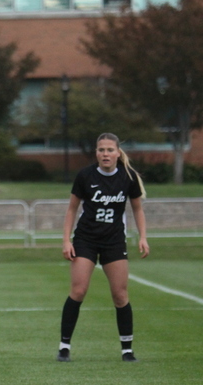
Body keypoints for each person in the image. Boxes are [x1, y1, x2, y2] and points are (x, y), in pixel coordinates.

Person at [57, 132, 149, 363]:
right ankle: (64, 346)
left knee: (120, 294)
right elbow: (71, 209)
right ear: (96, 153)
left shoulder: (128, 176)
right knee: (78, 291)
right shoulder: (85, 175)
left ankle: (127, 350)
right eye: (101, 150)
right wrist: (66, 240)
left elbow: (137, 209)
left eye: (109, 150)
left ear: (118, 153)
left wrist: (142, 237)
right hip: (86, 239)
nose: (105, 154)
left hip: (114, 241)